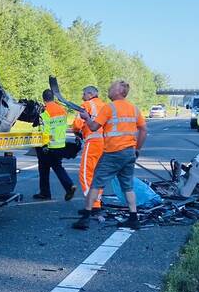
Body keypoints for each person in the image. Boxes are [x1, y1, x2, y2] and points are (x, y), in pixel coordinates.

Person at [72, 80, 147, 230]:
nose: (109, 90)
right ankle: (133, 218)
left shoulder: (109, 108)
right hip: (129, 153)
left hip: (112, 153)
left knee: (96, 183)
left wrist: (86, 118)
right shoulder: (134, 109)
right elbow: (143, 130)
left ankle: (86, 217)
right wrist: (137, 149)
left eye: (111, 88)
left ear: (119, 91)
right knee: (128, 186)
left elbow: (93, 127)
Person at [34, 88, 76, 201]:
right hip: (60, 144)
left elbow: (45, 130)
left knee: (43, 169)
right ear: (53, 98)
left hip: (49, 145)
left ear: (44, 99)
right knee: (57, 167)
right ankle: (67, 186)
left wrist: (44, 145)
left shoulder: (44, 112)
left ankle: (46, 192)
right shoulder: (62, 110)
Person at [72, 85, 105, 212]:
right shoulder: (105, 106)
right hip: (105, 143)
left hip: (93, 142)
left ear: (90, 94)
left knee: (86, 173)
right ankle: (97, 201)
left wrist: (76, 131)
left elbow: (77, 124)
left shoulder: (86, 105)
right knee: (98, 174)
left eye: (84, 94)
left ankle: (93, 203)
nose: (82, 97)